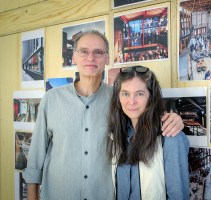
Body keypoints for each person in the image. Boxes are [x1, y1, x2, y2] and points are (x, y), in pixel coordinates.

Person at [23, 30, 184, 200]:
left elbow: (142, 118)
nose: (91, 57)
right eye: (84, 51)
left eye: (98, 52)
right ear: (74, 57)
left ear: (107, 58)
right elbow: (36, 154)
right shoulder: (51, 99)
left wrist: (174, 118)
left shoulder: (119, 98)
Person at [106, 65, 190, 199]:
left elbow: (178, 196)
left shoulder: (170, 137)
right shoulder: (114, 136)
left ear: (151, 97)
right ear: (118, 97)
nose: (131, 101)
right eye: (125, 93)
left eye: (139, 93)